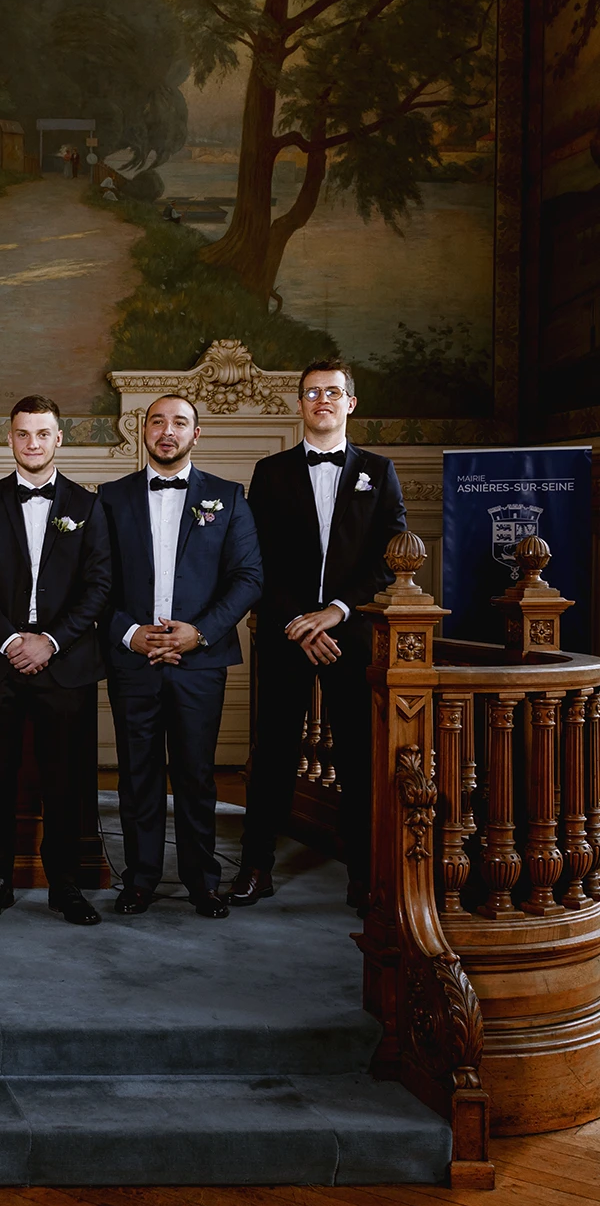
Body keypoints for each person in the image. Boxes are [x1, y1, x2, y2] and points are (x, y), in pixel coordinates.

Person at [229, 361, 407, 914]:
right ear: (300, 404)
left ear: (350, 403)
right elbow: (257, 559)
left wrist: (333, 612)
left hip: (349, 634)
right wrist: (296, 622)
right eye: (312, 393)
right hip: (285, 632)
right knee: (275, 751)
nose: (322, 400)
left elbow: (391, 558)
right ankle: (255, 867)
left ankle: (362, 873)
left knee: (358, 755)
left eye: (333, 392)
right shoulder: (271, 471)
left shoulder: (380, 471)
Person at [97, 395, 262, 920]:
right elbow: (95, 582)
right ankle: (140, 879)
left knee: (196, 776)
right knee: (137, 775)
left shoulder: (228, 497)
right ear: (142, 430)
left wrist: (200, 633)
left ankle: (201, 881)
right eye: (158, 421)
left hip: (199, 662)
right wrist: (128, 634)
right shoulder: (110, 498)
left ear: (198, 433)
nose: (167, 431)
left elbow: (248, 578)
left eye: (180, 423)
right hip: (134, 661)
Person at [0, 394, 111, 926]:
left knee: (66, 779)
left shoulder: (88, 506)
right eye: (23, 434)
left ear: (58, 439)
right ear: (10, 439)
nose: (33, 443)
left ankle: (65, 884)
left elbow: (99, 587)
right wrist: (9, 640)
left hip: (65, 664)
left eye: (43, 434)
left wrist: (50, 641)